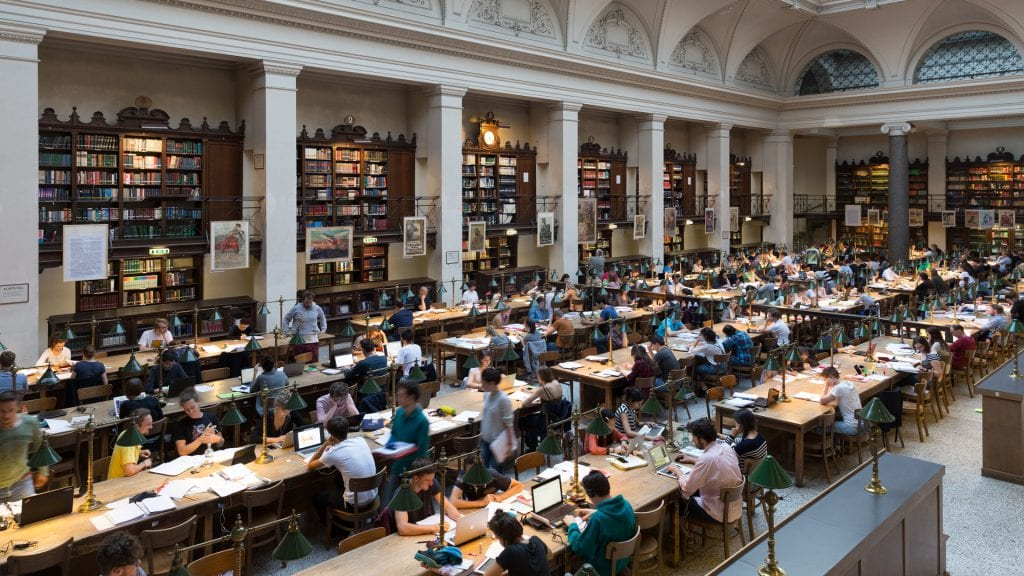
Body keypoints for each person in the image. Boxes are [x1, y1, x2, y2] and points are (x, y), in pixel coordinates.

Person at [670, 417, 743, 524]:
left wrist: (677, 471)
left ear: (702, 439)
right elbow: (716, 466)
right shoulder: (726, 447)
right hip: (734, 508)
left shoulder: (706, 459)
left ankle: (682, 537)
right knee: (696, 488)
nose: (692, 440)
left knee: (675, 500)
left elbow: (687, 488)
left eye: (694, 437)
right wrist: (693, 460)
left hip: (718, 513)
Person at [564, 470, 636, 576]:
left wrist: (572, 525)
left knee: (572, 561)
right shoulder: (626, 505)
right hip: (621, 562)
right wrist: (598, 512)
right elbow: (612, 520)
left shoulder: (598, 520)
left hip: (601, 570)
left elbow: (580, 547)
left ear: (591, 493)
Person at [309, 416, 378, 521]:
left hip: (354, 505)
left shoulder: (333, 453)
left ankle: (336, 532)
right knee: (338, 480)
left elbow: (310, 465)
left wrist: (325, 445)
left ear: (331, 435)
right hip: (374, 497)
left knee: (318, 498)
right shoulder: (361, 440)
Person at [391, 457, 462, 536]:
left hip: (428, 531)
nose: (431, 483)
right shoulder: (402, 493)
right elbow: (403, 528)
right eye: (427, 480)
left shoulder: (431, 482)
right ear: (416, 478)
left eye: (432, 479)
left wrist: (461, 520)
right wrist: (433, 528)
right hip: (411, 535)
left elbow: (448, 507)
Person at [384, 381, 430, 503]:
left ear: (411, 398)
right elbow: (394, 434)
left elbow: (422, 450)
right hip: (398, 466)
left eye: (400, 395)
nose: (397, 399)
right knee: (389, 503)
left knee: (407, 504)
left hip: (412, 471)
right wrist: (389, 446)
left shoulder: (422, 421)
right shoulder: (399, 412)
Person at [0, 391, 48, 500]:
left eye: (10, 410)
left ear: (18, 408)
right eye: (2, 411)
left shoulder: (31, 422)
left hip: (21, 482)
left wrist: (43, 471)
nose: (6, 416)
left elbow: (41, 447)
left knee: (30, 515)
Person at [485, 510, 549, 576]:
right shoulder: (536, 541)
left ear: (504, 538)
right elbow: (550, 556)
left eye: (498, 538)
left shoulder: (511, 552)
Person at [479, 367, 515, 474]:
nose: (482, 386)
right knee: (482, 470)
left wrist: (509, 444)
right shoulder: (486, 395)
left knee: (495, 473)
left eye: (484, 383)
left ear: (492, 383)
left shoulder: (503, 400)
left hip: (498, 442)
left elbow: (509, 424)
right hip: (485, 439)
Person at [172, 387, 224, 457]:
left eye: (192, 407)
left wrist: (218, 440)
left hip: (211, 455)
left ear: (198, 402)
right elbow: (181, 451)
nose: (190, 412)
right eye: (186, 410)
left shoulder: (211, 417)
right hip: (192, 460)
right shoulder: (180, 425)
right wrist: (200, 439)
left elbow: (221, 443)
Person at [108, 408, 154, 479]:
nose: (151, 427)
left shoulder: (126, 433)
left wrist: (139, 452)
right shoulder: (129, 441)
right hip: (118, 483)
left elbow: (124, 453)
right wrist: (144, 463)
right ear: (137, 425)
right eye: (148, 424)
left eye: (151, 423)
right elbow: (130, 471)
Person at [449, 467, 522, 509]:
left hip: (494, 505)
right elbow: (453, 502)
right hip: (475, 507)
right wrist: (482, 503)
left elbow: (519, 485)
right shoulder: (463, 477)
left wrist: (501, 497)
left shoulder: (493, 475)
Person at [819, 366, 862, 436]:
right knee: (834, 418)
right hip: (861, 424)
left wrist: (826, 386)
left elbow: (822, 401)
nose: (825, 382)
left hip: (851, 427)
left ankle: (831, 445)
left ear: (831, 378)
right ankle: (837, 443)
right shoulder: (849, 383)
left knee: (818, 427)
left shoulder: (839, 388)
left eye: (825, 380)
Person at [284, 291, 327, 358]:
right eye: (307, 303)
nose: (309, 304)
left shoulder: (317, 308)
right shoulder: (296, 308)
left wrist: (323, 329)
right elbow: (286, 319)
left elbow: (322, 318)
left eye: (310, 302)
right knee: (300, 362)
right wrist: (286, 331)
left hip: (313, 339)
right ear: (303, 300)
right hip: (299, 339)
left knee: (314, 362)